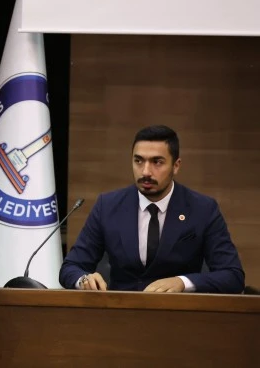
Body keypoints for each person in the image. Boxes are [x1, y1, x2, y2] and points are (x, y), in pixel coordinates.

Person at [59, 125, 244, 293]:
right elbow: (71, 267)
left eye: (157, 162)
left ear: (176, 166)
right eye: (138, 161)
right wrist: (83, 280)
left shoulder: (202, 209)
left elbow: (232, 275)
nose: (146, 171)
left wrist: (182, 282)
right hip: (120, 312)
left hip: (179, 313)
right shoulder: (108, 206)